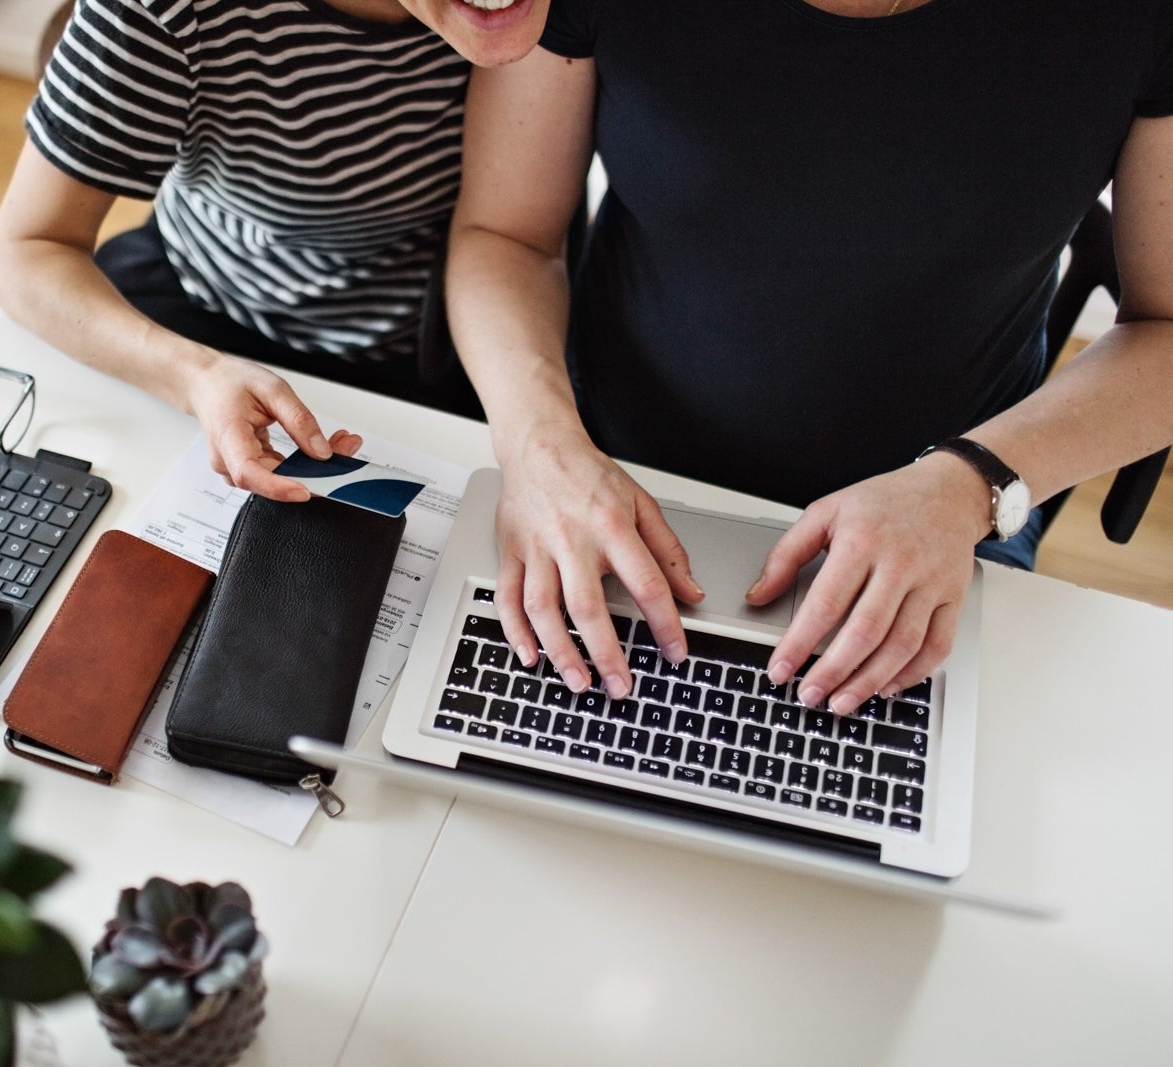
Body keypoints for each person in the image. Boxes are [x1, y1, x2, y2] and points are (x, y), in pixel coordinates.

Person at [445, 0, 1173, 717]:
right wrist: (541, 446)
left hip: (949, 521)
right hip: (607, 481)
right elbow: (504, 234)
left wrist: (968, 486)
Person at [0, 0, 548, 503]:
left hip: (457, 338)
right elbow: (25, 252)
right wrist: (194, 375)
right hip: (205, 316)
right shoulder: (170, 11)